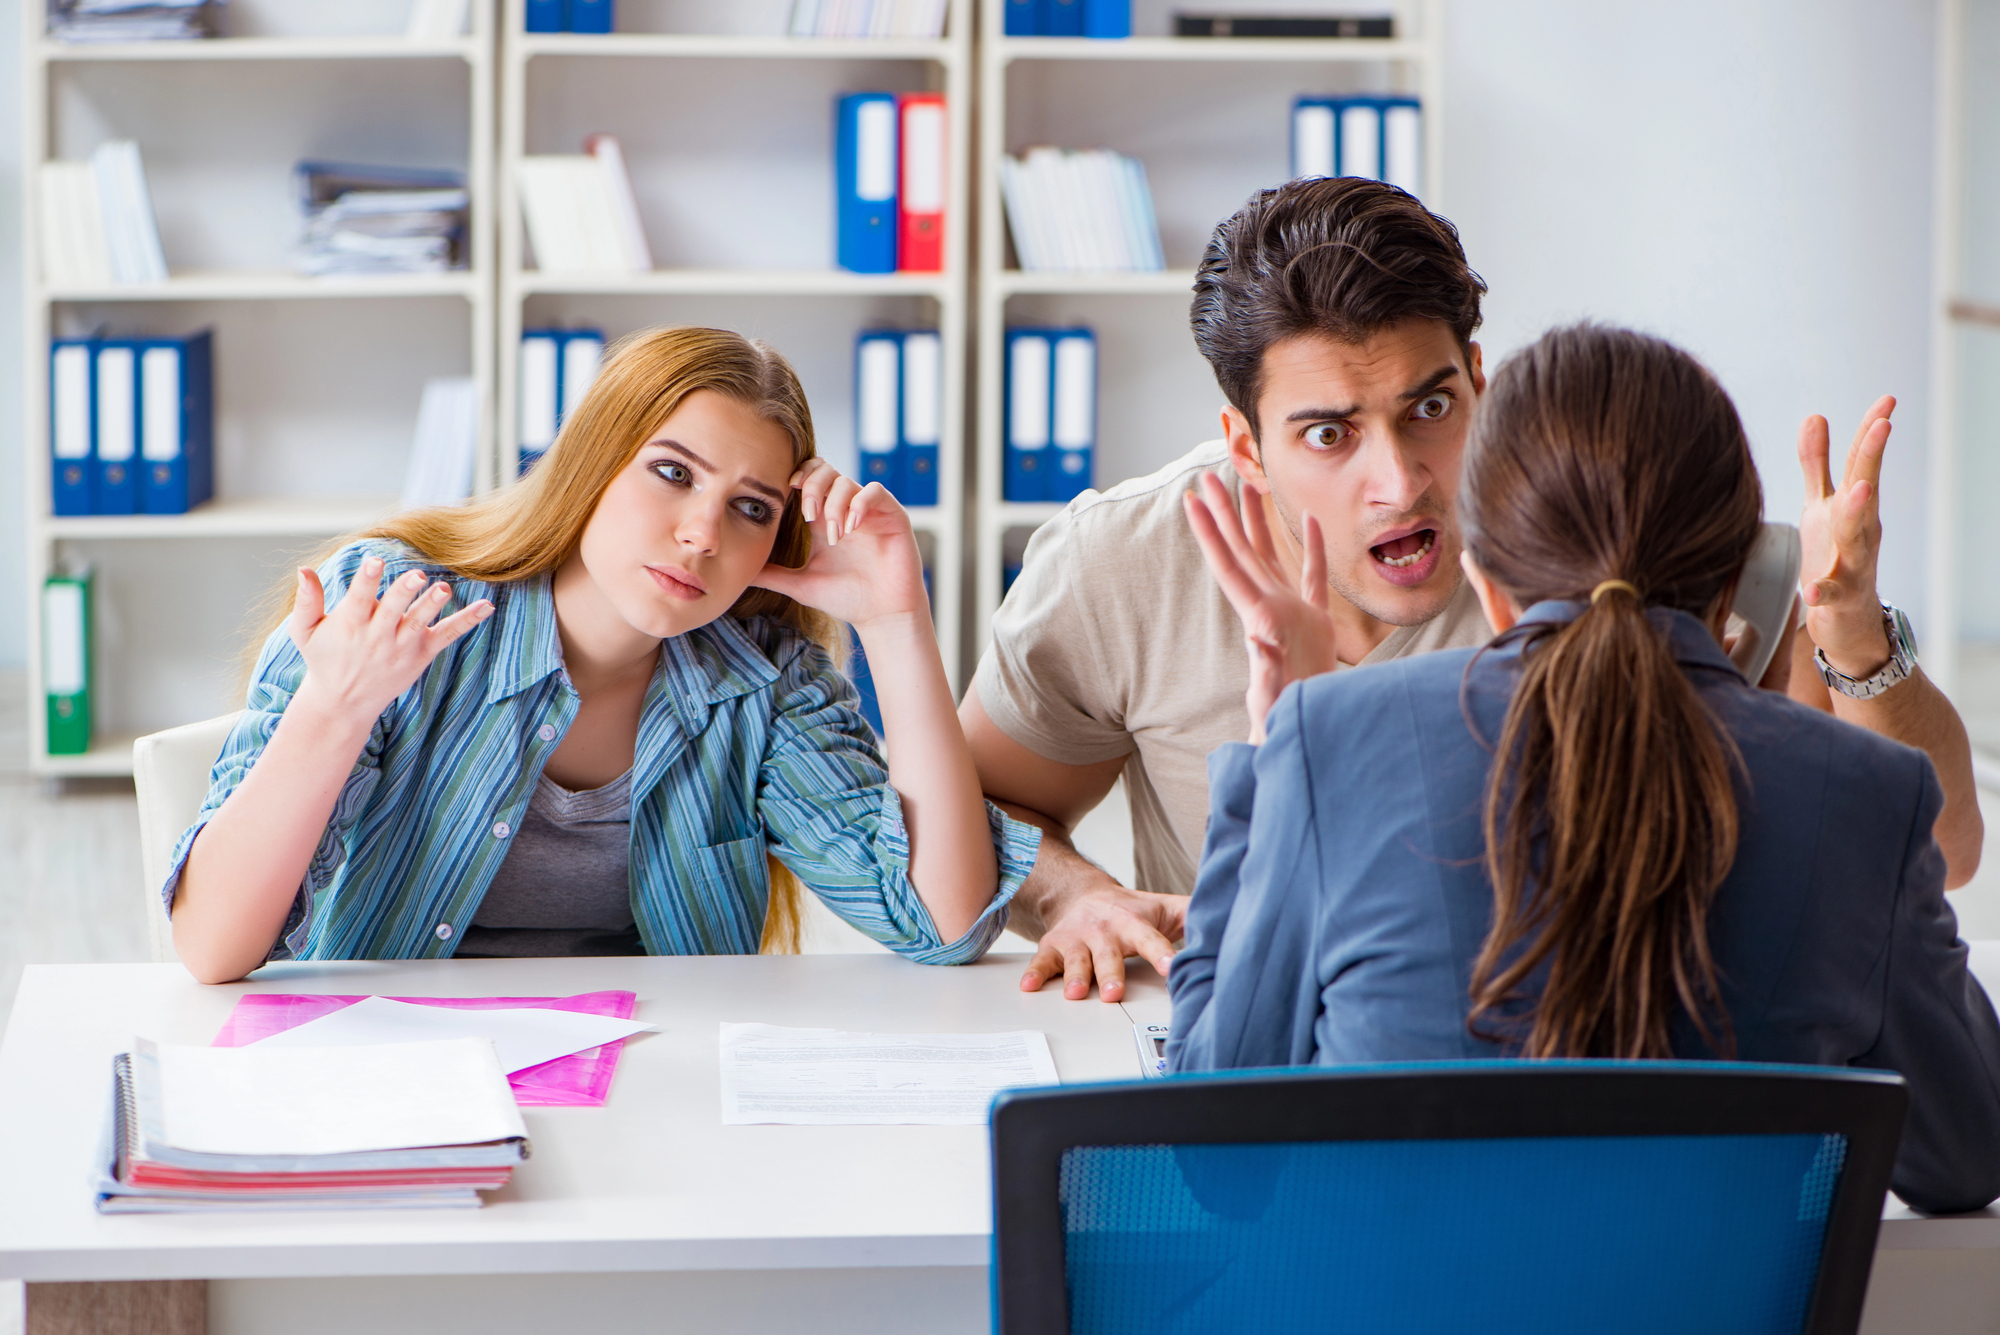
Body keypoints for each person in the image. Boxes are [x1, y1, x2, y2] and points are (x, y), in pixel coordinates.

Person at [964, 176, 1984, 1004]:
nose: (1398, 479)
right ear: (1246, 447)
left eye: (1429, 407)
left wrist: (1849, 631)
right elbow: (971, 802)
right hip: (1300, 1068)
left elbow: (1928, 856)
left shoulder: (1621, 539)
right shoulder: (1118, 565)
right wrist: (1074, 900)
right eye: (1329, 433)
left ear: (1479, 381)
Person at [1168, 324, 2000, 1215]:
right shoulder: (1869, 796)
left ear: (1485, 578)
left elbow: (1215, 1157)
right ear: (1740, 576)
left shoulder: (1326, 745)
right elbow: (1969, 1156)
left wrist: (1269, 752)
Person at [166, 325, 1038, 985]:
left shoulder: (765, 681)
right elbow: (212, 948)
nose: (701, 534)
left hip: (649, 1097)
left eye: (751, 508)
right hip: (400, 1085)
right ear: (592, 463)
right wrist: (335, 708)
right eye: (672, 472)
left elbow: (944, 923)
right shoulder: (393, 605)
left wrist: (896, 622)